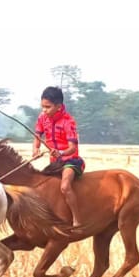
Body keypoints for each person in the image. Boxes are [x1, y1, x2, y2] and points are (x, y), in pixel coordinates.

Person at [32, 86, 85, 227]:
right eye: (42, 106)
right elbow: (37, 135)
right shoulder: (42, 118)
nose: (44, 110)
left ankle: (77, 219)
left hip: (70, 161)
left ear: (58, 106)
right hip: (54, 163)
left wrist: (60, 153)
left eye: (47, 107)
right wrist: (36, 148)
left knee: (65, 186)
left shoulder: (68, 122)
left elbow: (72, 148)